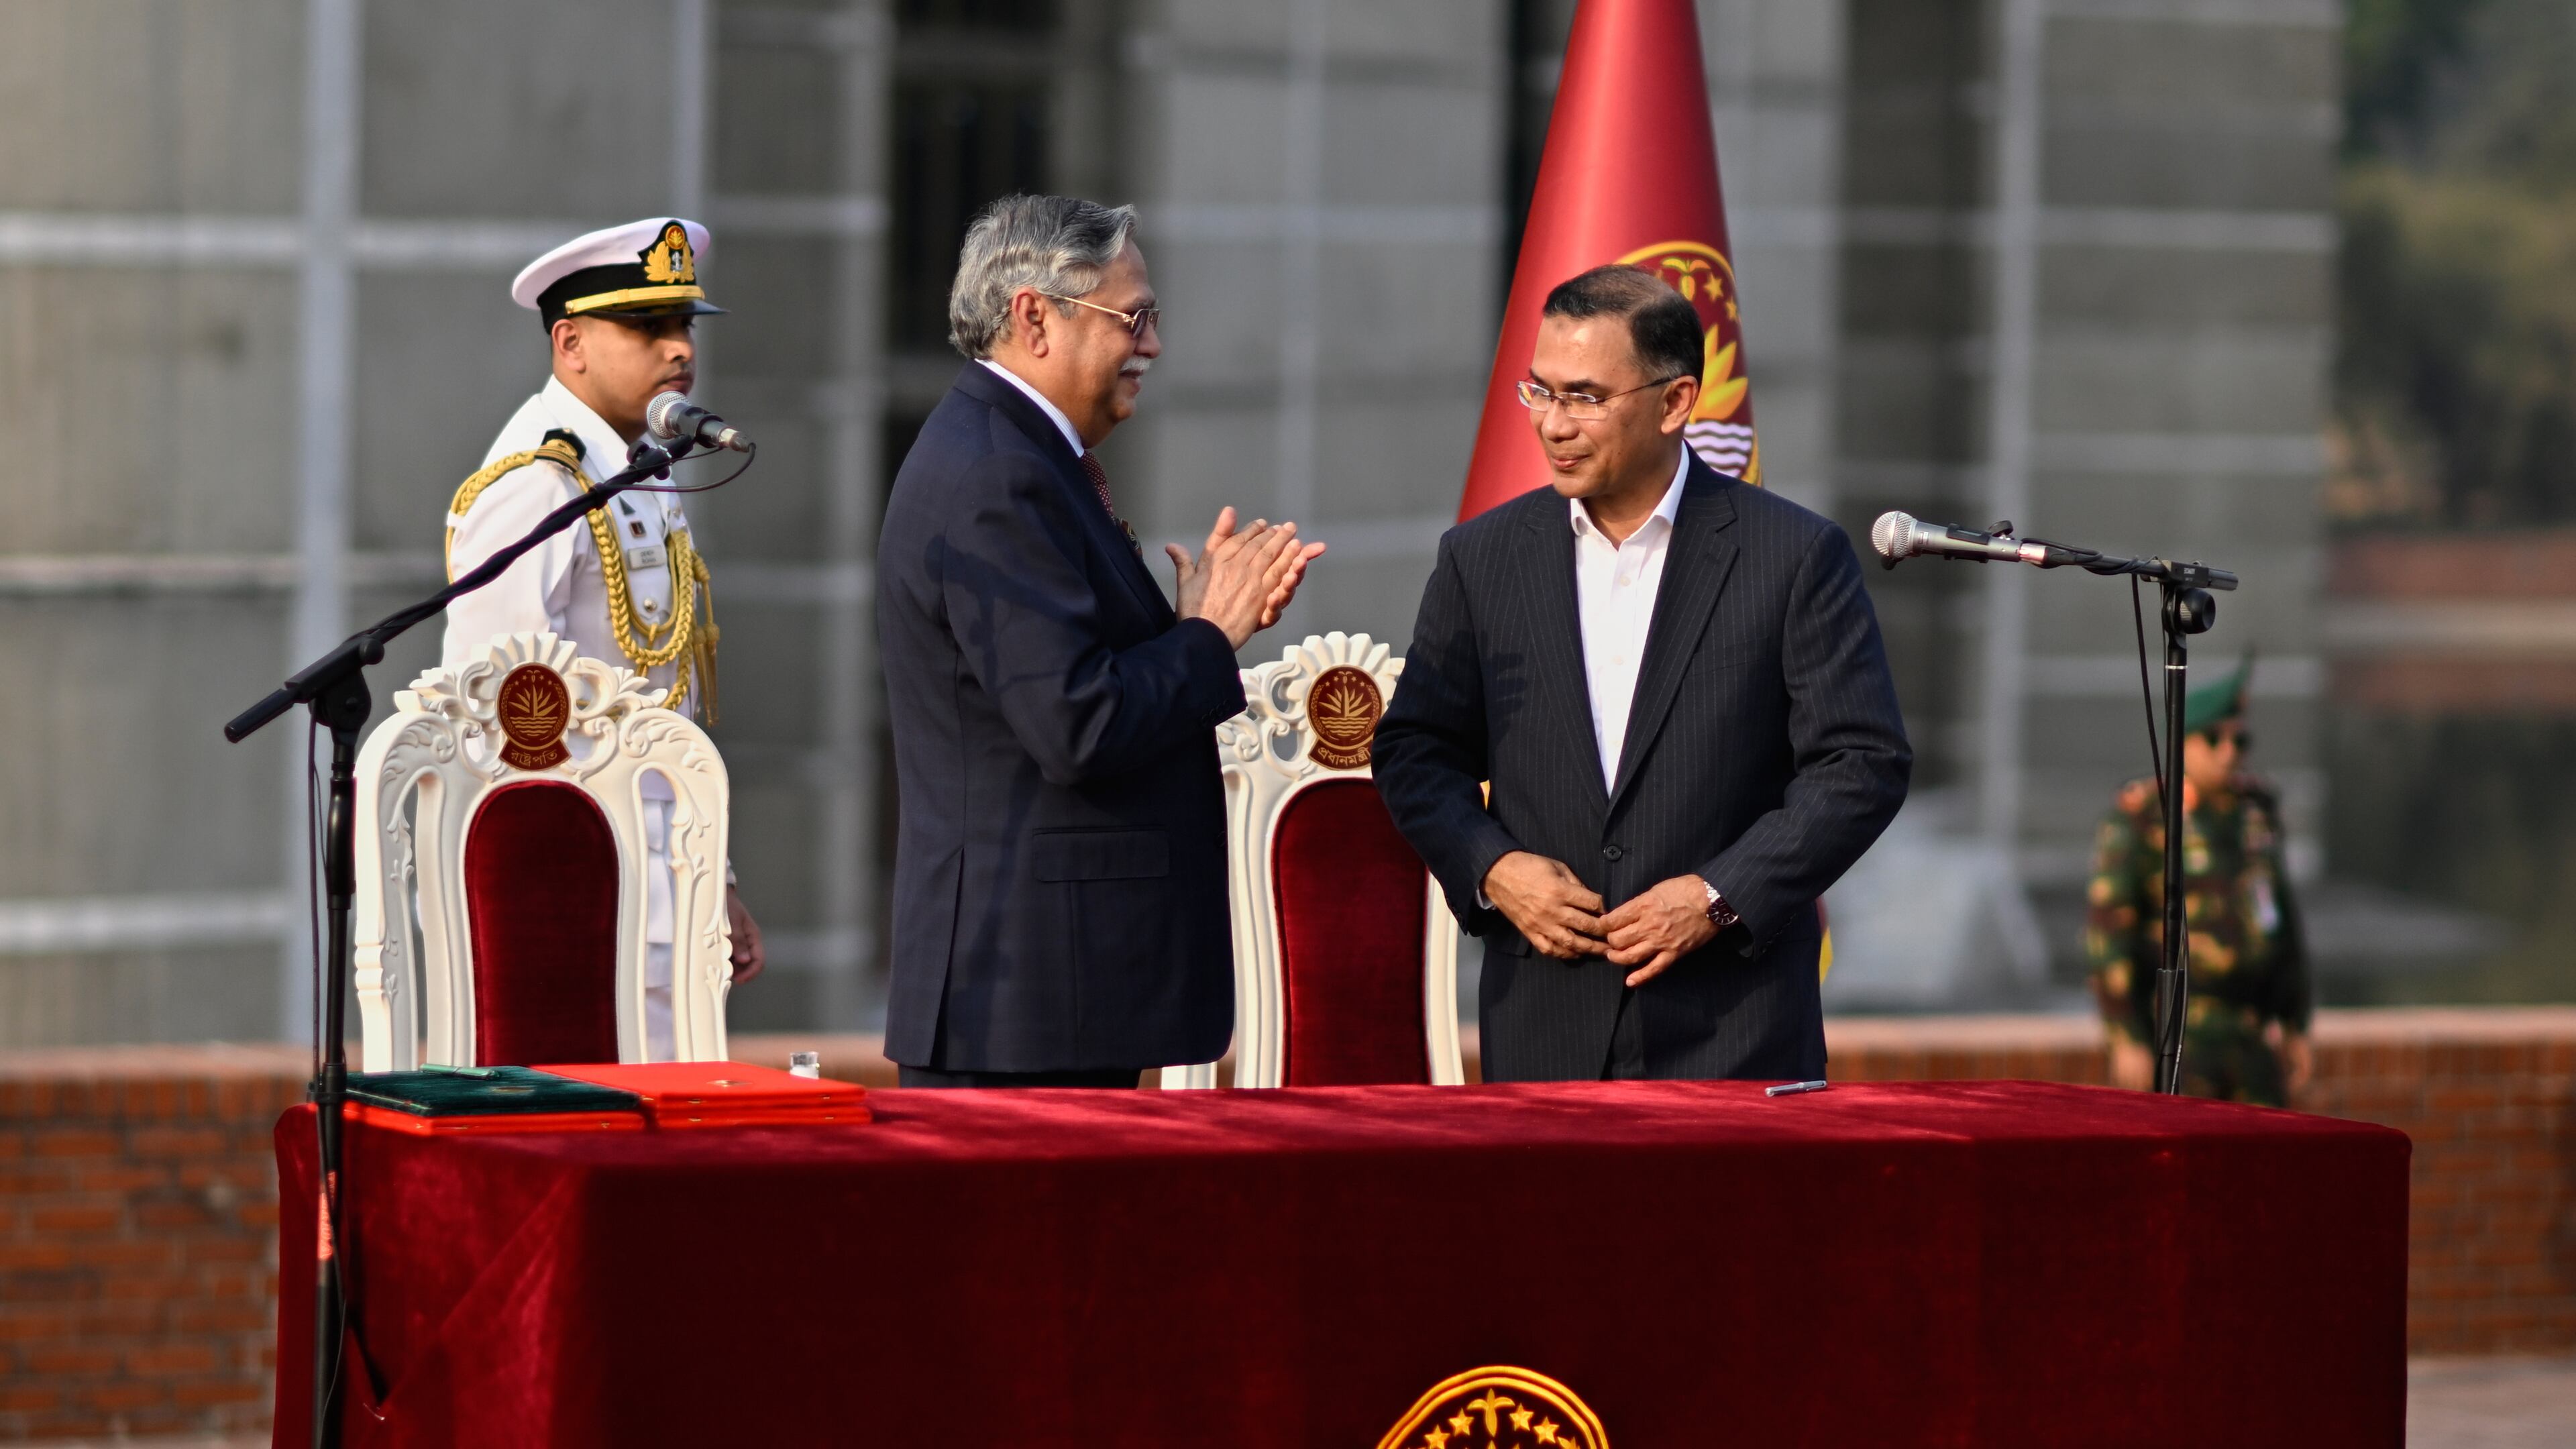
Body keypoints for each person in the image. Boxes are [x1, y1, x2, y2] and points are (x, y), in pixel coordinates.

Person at [1373, 264, 1910, 1081]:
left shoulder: (1794, 556)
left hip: (1733, 1027)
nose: (1554, 424)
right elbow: (1416, 751)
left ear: (1676, 401)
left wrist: (1716, 896)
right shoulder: (1482, 558)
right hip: (1544, 1025)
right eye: (1540, 392)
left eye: (1585, 397)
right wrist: (1493, 867)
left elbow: (1862, 764)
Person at [876, 194, 1326, 1088]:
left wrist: (1182, 629)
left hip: (1049, 994)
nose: (1152, 344)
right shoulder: (1000, 473)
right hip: (1027, 999)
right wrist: (1208, 636)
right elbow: (1076, 724)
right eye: (1134, 318)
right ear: (1035, 318)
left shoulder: (1016, 450)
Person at [441, 217, 765, 1059]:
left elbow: (668, 700)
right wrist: (551, 913)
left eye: (684, 325)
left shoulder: (640, 464)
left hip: (662, 875)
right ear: (571, 343)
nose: (679, 349)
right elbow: (500, 728)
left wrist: (715, 876)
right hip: (577, 892)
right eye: (647, 328)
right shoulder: (539, 483)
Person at [2086, 657, 2312, 1104]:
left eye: (2239, 741)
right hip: (2180, 1037)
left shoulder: (2254, 815)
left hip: (2249, 1034)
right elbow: (2108, 933)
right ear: (2184, 743)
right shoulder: (2146, 817)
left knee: (2270, 1146)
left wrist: (2295, 1024)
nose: (2229, 753)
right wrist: (2126, 1036)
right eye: (2213, 739)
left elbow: (2282, 925)